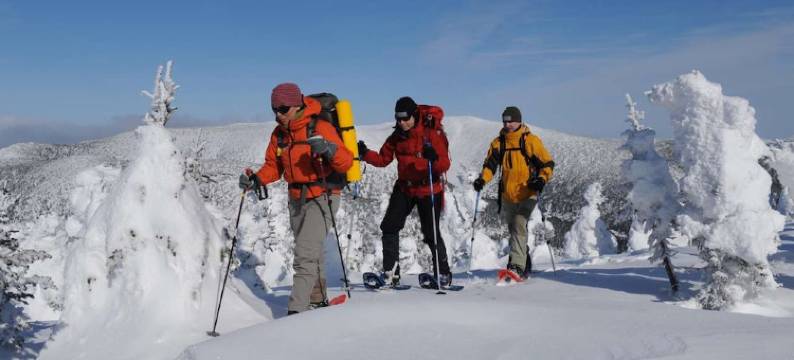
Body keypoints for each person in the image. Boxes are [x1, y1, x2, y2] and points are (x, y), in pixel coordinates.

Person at [239, 83, 353, 315]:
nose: (278, 114)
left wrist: (329, 148)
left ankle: (296, 312)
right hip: (296, 198)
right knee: (311, 252)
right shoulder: (280, 134)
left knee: (304, 254)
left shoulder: (319, 126)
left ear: (297, 104)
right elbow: (274, 166)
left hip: (324, 195)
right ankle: (318, 300)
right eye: (274, 109)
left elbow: (346, 162)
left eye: (283, 109)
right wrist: (257, 180)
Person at [357, 96, 452, 287]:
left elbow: (445, 163)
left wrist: (432, 158)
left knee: (430, 232)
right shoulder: (397, 136)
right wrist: (365, 153)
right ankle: (391, 273)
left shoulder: (432, 133)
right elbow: (383, 159)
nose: (401, 122)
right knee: (389, 226)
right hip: (405, 188)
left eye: (405, 118)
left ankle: (443, 275)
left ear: (414, 115)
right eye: (398, 119)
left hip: (428, 188)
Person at [473, 106, 554, 279]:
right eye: (505, 121)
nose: (507, 124)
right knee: (514, 229)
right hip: (508, 195)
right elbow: (490, 166)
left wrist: (541, 179)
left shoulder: (530, 141)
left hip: (528, 192)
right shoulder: (499, 142)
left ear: (519, 121)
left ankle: (516, 265)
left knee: (518, 224)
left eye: (510, 120)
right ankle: (523, 258)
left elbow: (547, 163)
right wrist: (482, 180)